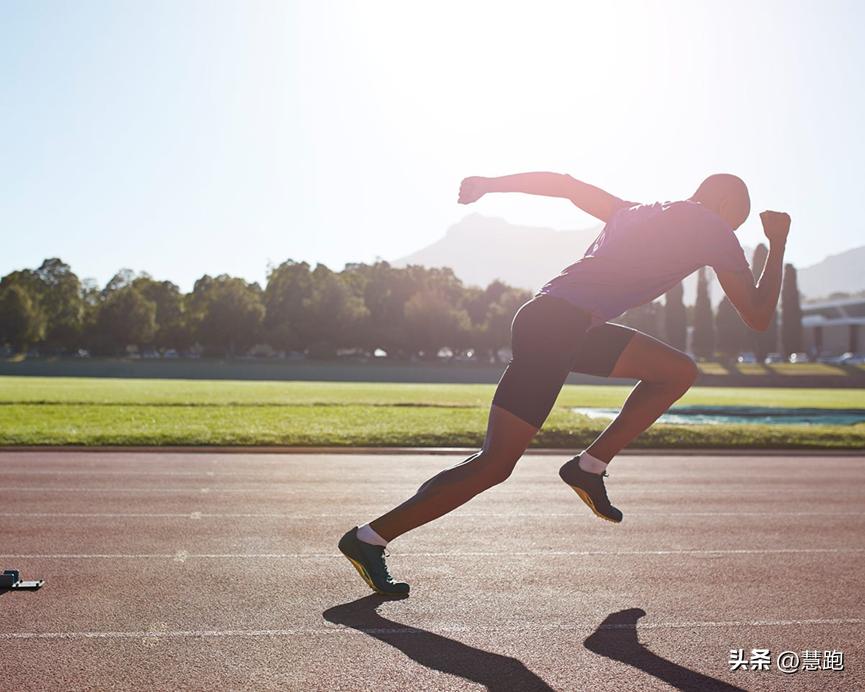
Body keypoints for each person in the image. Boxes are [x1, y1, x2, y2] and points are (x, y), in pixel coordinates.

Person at [339, 171, 791, 596]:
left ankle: (588, 467)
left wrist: (491, 183)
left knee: (676, 371)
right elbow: (756, 315)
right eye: (738, 221)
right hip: (560, 328)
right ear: (726, 201)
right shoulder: (712, 226)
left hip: (557, 320)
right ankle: (370, 538)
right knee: (495, 464)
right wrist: (776, 243)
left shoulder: (633, 210)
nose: (732, 236)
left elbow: (566, 185)